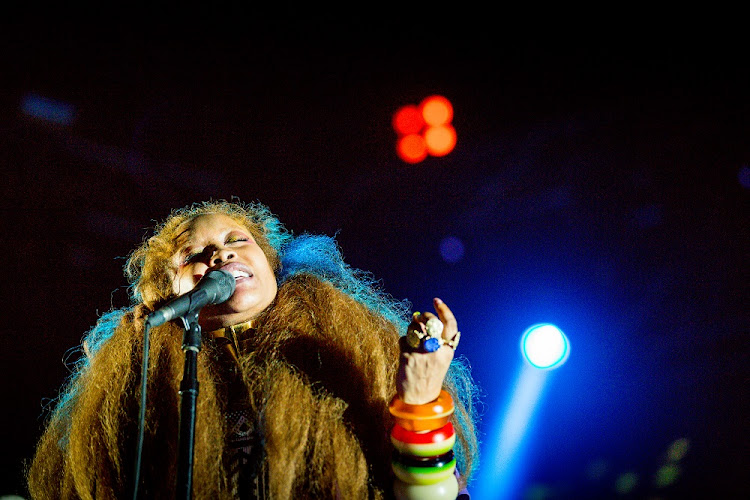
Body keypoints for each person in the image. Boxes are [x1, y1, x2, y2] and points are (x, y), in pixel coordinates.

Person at [27, 200, 479, 499]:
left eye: (236, 240)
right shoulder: (141, 382)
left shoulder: (345, 344)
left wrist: (420, 400)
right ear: (166, 296)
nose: (220, 256)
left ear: (271, 263)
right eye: (193, 255)